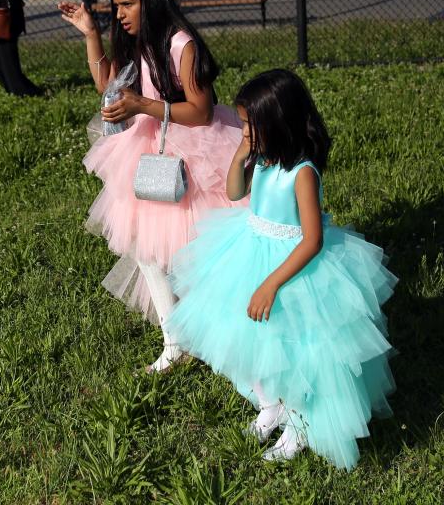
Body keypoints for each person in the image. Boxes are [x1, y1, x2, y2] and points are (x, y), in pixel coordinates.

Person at [162, 69, 397, 469]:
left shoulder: (302, 172)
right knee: (248, 337)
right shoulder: (265, 161)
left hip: (292, 265)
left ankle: (301, 422)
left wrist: (272, 284)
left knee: (294, 346)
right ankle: (271, 406)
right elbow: (237, 192)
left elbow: (312, 240)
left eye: (251, 125)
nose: (245, 131)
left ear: (278, 123)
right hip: (249, 249)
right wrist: (241, 153)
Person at [57, 0, 245, 374]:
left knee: (198, 250)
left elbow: (201, 111)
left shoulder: (182, 44)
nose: (119, 14)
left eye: (127, 4)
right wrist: (90, 34)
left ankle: (225, 332)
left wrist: (143, 104)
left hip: (195, 150)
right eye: (115, 6)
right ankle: (174, 340)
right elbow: (110, 87)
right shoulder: (139, 41)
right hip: (150, 147)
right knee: (145, 246)